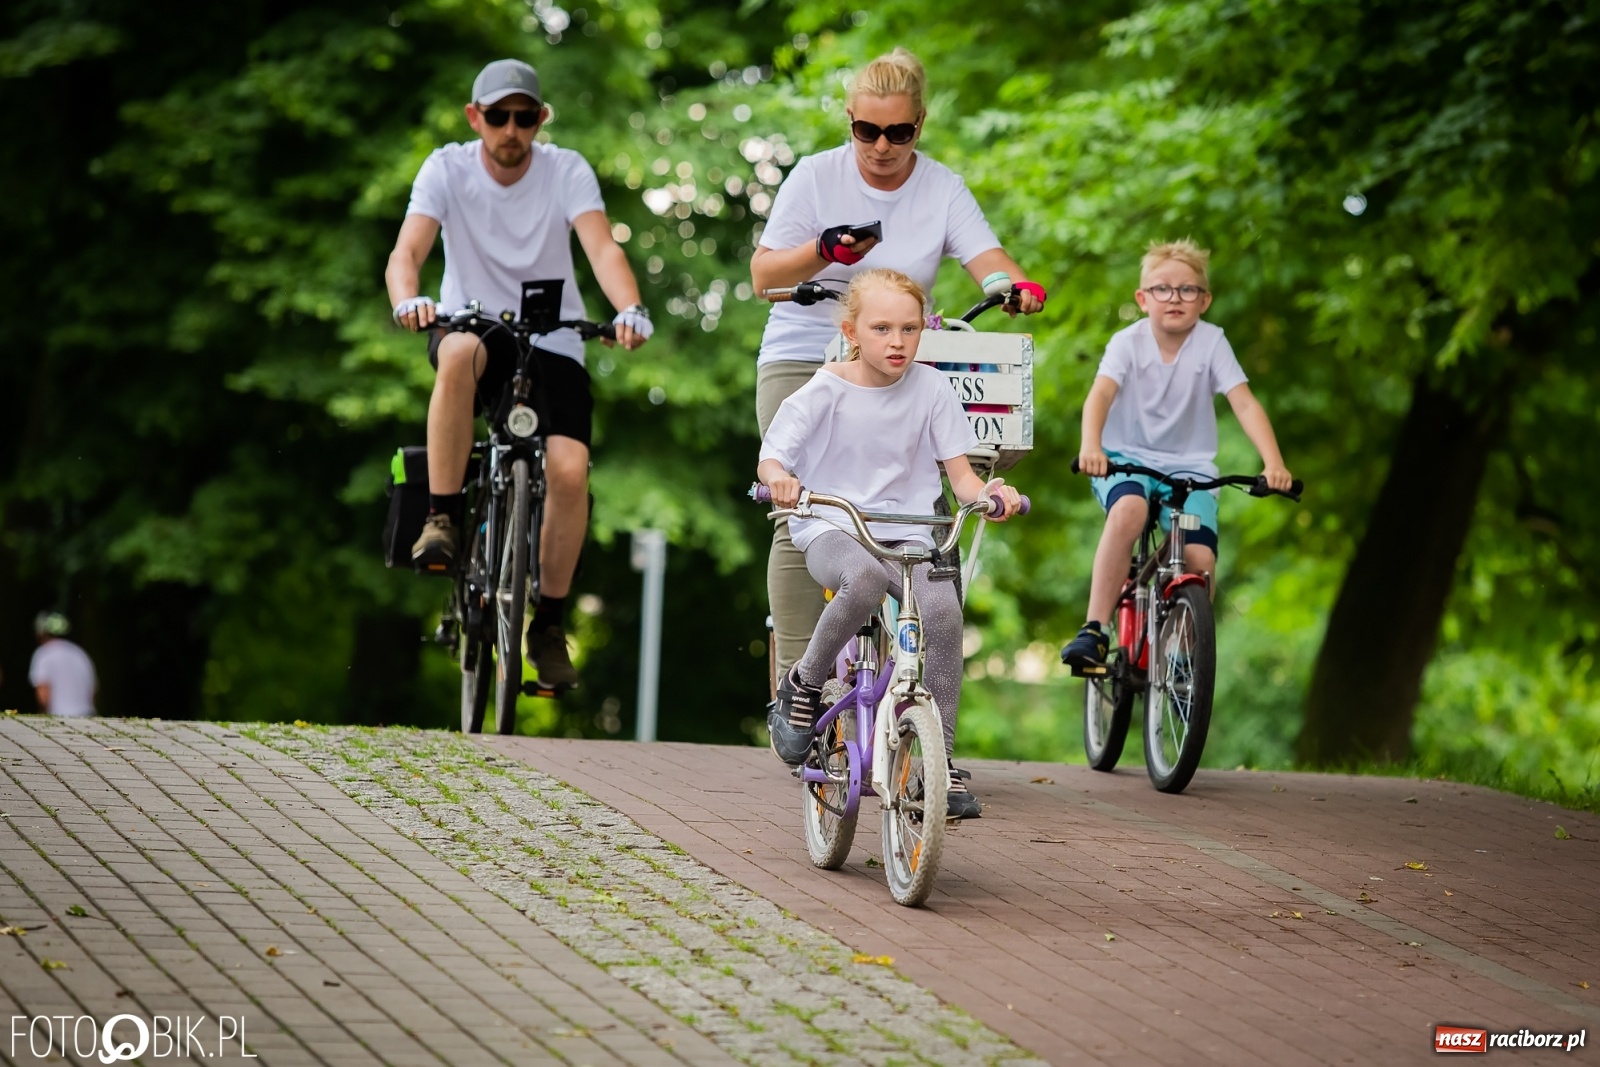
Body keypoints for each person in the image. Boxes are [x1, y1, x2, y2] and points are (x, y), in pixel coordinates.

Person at [750, 47, 1044, 687]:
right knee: (800, 506)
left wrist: (1014, 286)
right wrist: (823, 250)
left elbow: (988, 260)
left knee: (926, 499)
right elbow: (763, 276)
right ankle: (798, 682)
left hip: (898, 356)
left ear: (921, 125)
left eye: (899, 132)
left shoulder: (941, 187)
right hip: (807, 349)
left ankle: (917, 695)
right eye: (867, 130)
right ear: (850, 120)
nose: (882, 145)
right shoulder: (815, 177)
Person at [387, 59, 652, 689]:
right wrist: (408, 298)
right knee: (454, 353)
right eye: (499, 116)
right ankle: (443, 517)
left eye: (524, 116)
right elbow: (408, 251)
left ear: (540, 120)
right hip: (472, 325)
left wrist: (629, 309)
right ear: (475, 117)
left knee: (567, 470)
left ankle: (550, 623)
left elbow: (602, 247)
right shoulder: (446, 169)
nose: (511, 129)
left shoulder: (566, 171)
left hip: (554, 335)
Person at [758, 270, 1024, 819]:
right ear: (852, 331)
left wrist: (992, 495)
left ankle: (940, 766)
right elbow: (773, 456)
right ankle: (804, 683)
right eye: (882, 328)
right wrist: (780, 477)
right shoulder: (827, 386)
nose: (897, 341)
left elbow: (962, 478)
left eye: (909, 328)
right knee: (866, 579)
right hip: (835, 521)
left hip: (908, 528)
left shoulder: (931, 387)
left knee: (945, 617)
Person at [1061, 239, 1292, 668]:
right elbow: (1101, 394)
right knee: (1129, 510)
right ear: (1142, 298)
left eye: (1188, 290)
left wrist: (1273, 462)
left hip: (1189, 467)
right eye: (1162, 288)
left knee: (1200, 558)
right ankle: (1095, 628)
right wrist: (1091, 445)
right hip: (1122, 457)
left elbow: (1244, 402)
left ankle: (1184, 655)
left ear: (1204, 301)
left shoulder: (1212, 343)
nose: (1175, 298)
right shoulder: (1127, 343)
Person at [28, 611, 96, 718]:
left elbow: (43, 692)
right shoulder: (79, 653)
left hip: (58, 716)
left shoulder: (43, 654)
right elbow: (92, 692)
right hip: (86, 715)